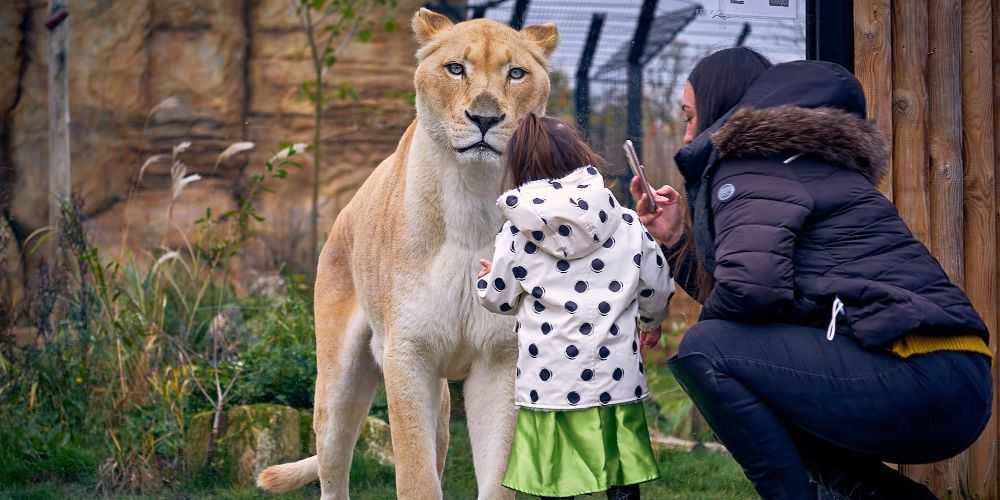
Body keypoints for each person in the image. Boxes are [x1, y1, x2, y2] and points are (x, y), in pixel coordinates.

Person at [631, 47, 993, 500]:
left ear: (720, 108)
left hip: (918, 366)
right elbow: (749, 291)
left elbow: (749, 293)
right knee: (739, 361)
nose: (686, 136)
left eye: (689, 116)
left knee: (707, 349)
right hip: (952, 375)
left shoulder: (751, 161)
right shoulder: (795, 162)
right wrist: (679, 238)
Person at [476, 113, 674, 500]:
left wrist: (486, 277)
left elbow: (498, 297)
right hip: (613, 380)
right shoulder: (626, 222)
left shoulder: (517, 232)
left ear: (519, 166)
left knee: (555, 479)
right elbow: (658, 285)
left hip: (548, 384)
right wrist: (651, 320)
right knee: (619, 476)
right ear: (579, 157)